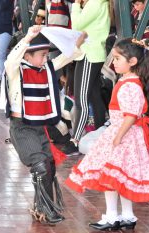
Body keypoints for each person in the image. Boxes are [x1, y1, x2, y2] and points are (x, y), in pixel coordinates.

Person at [65, 38, 149, 231]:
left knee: (110, 177)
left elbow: (130, 116)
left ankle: (112, 216)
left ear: (133, 62)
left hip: (124, 135)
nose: (114, 62)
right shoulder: (130, 81)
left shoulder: (130, 84)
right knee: (120, 178)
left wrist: (118, 136)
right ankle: (127, 215)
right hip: (128, 134)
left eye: (118, 58)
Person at [3, 25, 87, 224]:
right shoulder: (16, 71)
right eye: (42, 54)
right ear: (27, 55)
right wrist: (28, 38)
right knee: (40, 165)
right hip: (21, 127)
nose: (46, 59)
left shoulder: (45, 69)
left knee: (48, 166)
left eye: (47, 55)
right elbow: (10, 61)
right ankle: (47, 210)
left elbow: (65, 58)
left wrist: (77, 43)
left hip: (39, 127)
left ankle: (41, 207)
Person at [61, 0, 111, 155]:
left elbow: (76, 24)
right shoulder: (100, 3)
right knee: (95, 97)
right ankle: (99, 134)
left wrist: (76, 5)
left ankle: (75, 140)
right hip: (93, 54)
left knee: (81, 99)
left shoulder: (95, 3)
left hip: (89, 55)